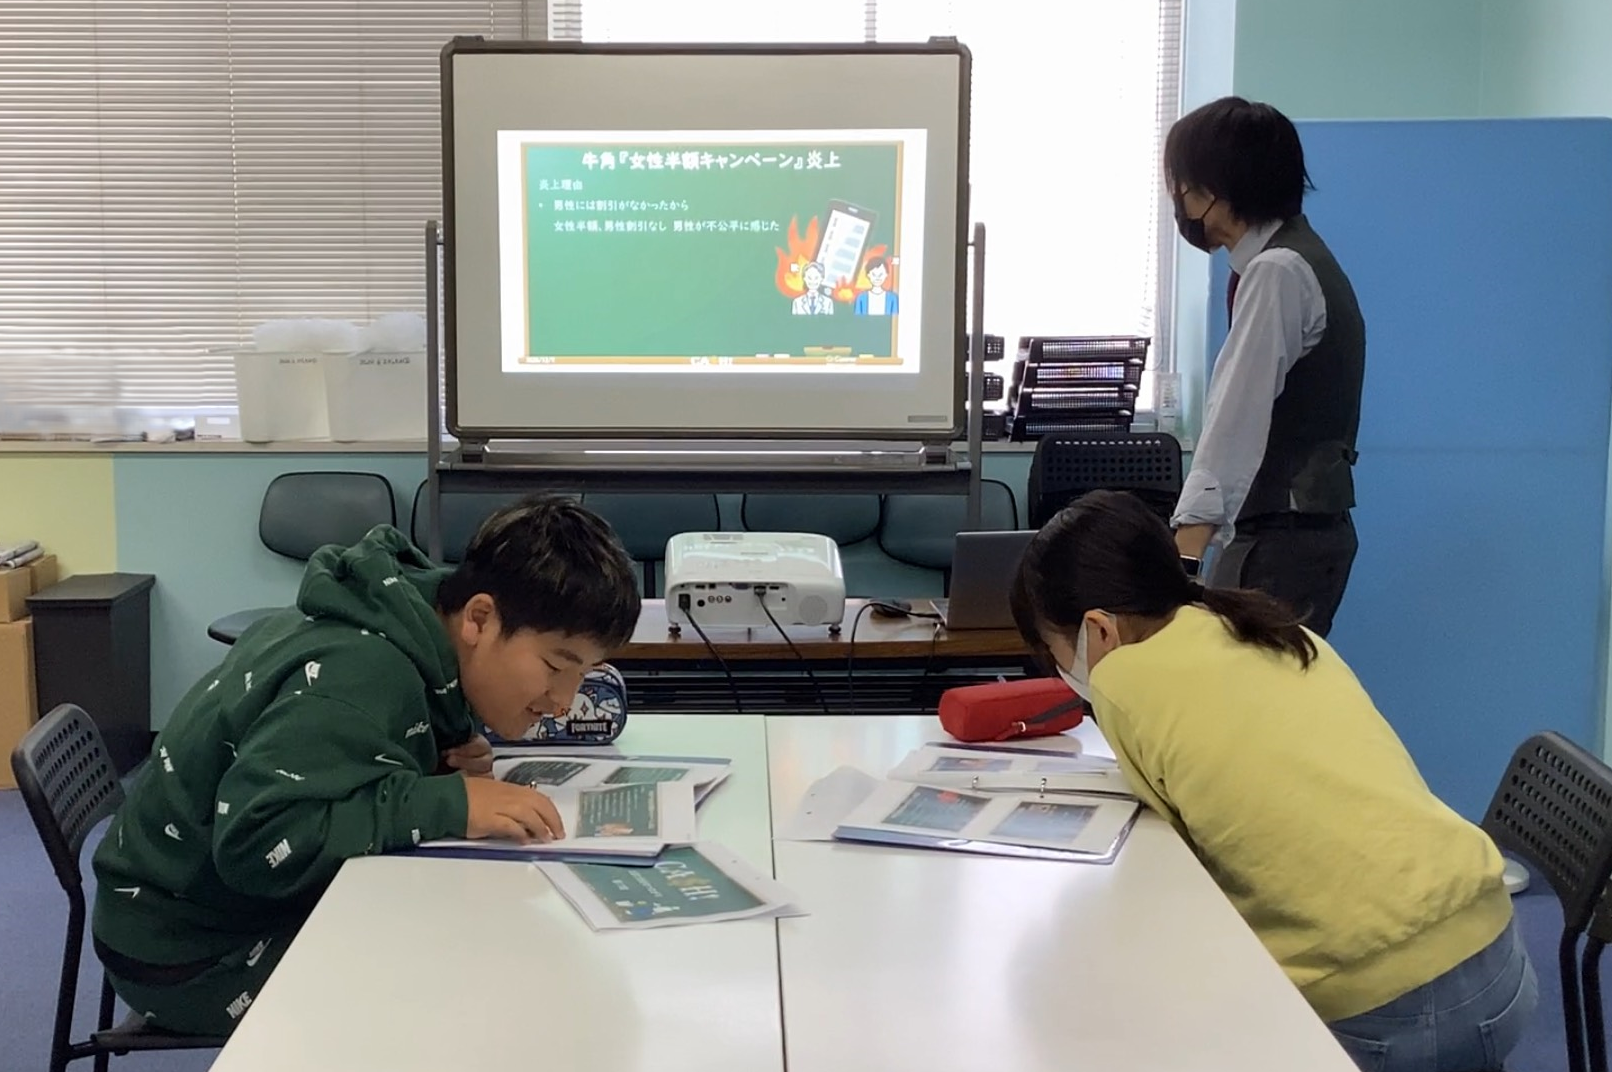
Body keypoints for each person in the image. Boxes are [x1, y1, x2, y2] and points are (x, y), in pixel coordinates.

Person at [1010, 490, 1536, 1072]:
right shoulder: (1267, 629)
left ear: (1098, 629)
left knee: (1126, 1022)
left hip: (1384, 1009)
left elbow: (1174, 867)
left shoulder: (1124, 679)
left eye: (1057, 653)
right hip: (1499, 958)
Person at [91, 495, 641, 1036]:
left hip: (221, 913)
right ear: (479, 618)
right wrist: (443, 801)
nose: (564, 701)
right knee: (475, 979)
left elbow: (342, 754)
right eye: (555, 667)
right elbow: (256, 843)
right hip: (191, 953)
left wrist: (435, 758)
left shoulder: (410, 617)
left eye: (584, 674)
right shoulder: (360, 670)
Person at [1165, 96, 1365, 637]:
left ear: (1217, 187)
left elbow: (1235, 421)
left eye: (1183, 185)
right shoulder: (1296, 258)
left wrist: (1182, 563)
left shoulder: (1277, 272)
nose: (1179, 200)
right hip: (1300, 534)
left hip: (1280, 542)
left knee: (1237, 686)